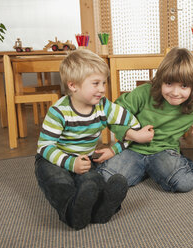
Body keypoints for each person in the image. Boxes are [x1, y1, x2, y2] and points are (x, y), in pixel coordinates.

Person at [35, 49, 153, 230]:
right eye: (96, 83)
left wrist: (115, 149)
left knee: (92, 183)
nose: (102, 89)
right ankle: (72, 215)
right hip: (54, 159)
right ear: (73, 86)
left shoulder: (104, 106)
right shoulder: (58, 111)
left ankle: (100, 212)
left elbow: (133, 126)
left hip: (85, 159)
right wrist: (69, 163)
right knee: (59, 182)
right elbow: (45, 146)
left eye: (103, 83)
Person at [97, 47, 193, 193]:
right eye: (169, 84)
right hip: (132, 148)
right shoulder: (144, 93)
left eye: (184, 86)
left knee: (184, 182)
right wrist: (134, 135)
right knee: (104, 179)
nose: (175, 93)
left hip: (164, 151)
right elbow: (113, 113)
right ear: (160, 81)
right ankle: (148, 170)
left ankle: (168, 166)